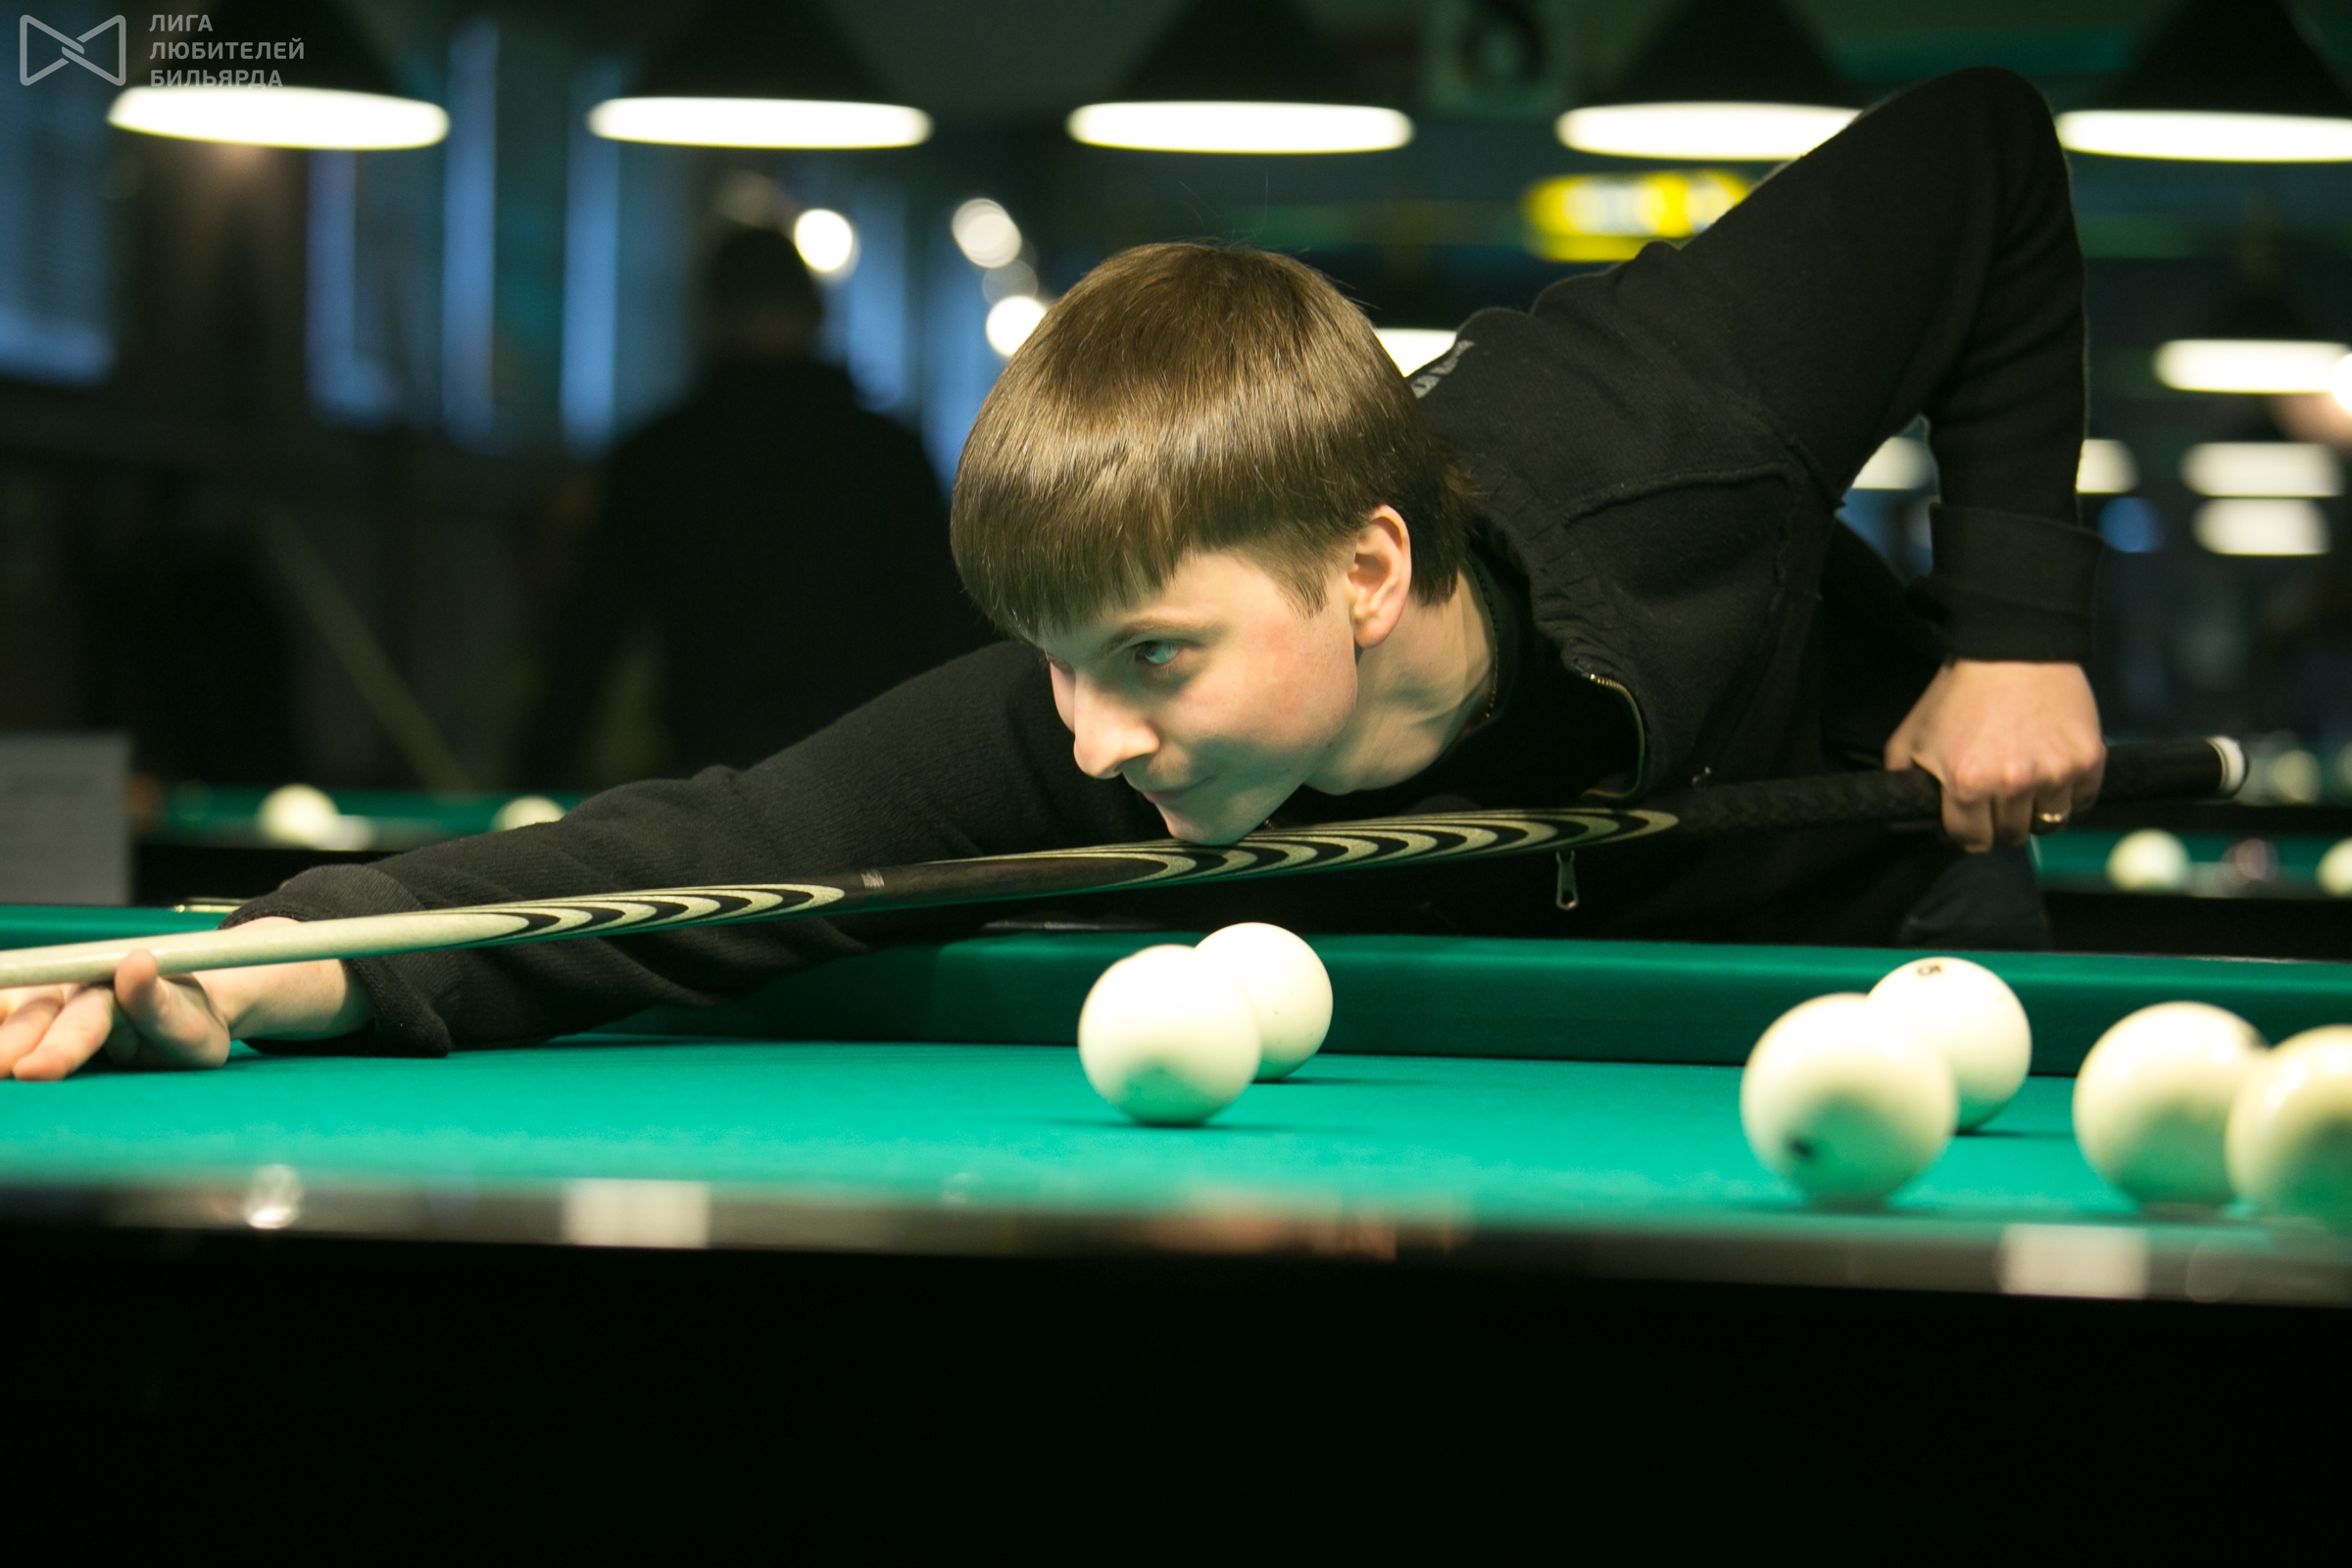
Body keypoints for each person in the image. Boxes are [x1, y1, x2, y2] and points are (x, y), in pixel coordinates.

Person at [0, 70, 2106, 1080]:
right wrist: (275, 960)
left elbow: (1985, 150)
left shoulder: (1663, 414)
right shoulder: (1089, 719)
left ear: (1371, 565)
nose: (1088, 739)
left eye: (1156, 657)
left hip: (1877, 926)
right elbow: (707, 857)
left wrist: (2015, 632)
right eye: (1060, 662)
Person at [515, 224, 984, 784]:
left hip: (711, 784)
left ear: (711, 316)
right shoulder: (889, 457)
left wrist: (530, 785)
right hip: (867, 779)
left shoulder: (658, 458)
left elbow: (589, 644)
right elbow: (949, 632)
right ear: (819, 314)